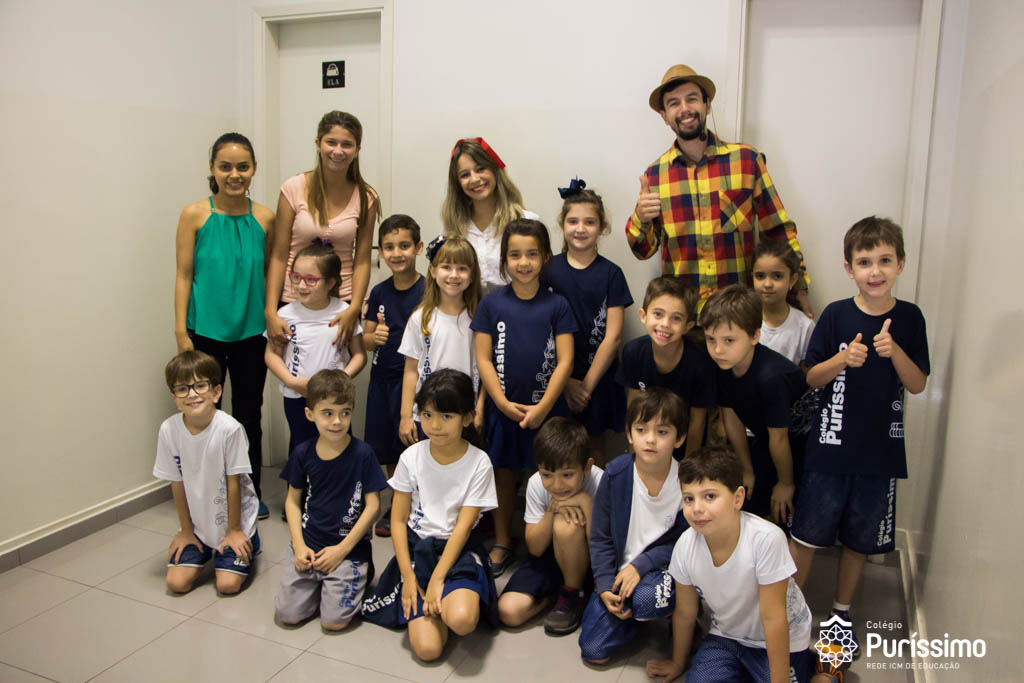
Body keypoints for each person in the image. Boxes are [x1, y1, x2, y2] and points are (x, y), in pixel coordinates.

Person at [790, 217, 929, 658]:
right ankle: (788, 609)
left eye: (885, 260)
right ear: (849, 268)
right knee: (807, 535)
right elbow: (811, 377)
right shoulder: (835, 314)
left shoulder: (910, 318)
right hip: (829, 450)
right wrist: (842, 360)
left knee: (858, 542)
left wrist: (895, 351)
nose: (875, 271)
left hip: (879, 455)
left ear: (900, 264)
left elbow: (918, 383)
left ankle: (841, 615)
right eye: (865, 262)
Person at [625, 64, 812, 316]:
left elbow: (779, 232)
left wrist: (799, 289)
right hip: (683, 318)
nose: (684, 109)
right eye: (674, 103)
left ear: (707, 105)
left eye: (692, 99)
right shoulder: (655, 175)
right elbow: (643, 251)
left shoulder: (747, 161)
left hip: (740, 315)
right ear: (665, 116)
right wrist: (641, 218)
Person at [645, 446, 840, 683]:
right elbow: (685, 613)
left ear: (737, 498)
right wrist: (678, 663)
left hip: (778, 639)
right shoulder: (685, 546)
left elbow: (773, 618)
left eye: (710, 496)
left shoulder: (766, 539)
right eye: (689, 498)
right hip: (726, 636)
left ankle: (825, 666)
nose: (697, 508)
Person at [361, 369, 499, 662]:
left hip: (459, 550)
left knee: (462, 620)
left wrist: (437, 579)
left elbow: (462, 529)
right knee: (427, 650)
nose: (435, 425)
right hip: (418, 551)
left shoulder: (479, 462)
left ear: (467, 417)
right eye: (427, 415)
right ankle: (437, 608)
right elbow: (398, 521)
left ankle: (449, 600)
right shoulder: (411, 457)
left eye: (446, 416)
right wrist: (409, 577)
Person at [174, 132, 276, 519]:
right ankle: (207, 493)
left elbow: (271, 276)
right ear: (212, 169)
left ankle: (250, 493)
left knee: (248, 416)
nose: (235, 174)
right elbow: (184, 275)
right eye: (226, 167)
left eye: (243, 167)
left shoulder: (265, 218)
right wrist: (181, 332)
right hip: (204, 333)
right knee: (203, 414)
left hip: (252, 334)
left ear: (254, 169)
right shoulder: (194, 215)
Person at [472, 218, 577, 576]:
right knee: (503, 475)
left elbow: (565, 361)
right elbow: (483, 359)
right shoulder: (491, 304)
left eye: (532, 254)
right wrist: (501, 403)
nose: (524, 262)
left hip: (549, 411)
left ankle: (548, 543)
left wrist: (544, 407)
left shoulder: (558, 305)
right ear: (504, 260)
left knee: (547, 476)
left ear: (545, 258)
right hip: (504, 410)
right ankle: (503, 539)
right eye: (515, 255)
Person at [579, 389, 689, 664]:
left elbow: (686, 543)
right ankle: (634, 618)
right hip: (620, 573)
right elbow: (600, 537)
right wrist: (605, 586)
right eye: (641, 430)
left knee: (646, 600)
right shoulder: (615, 474)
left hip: (662, 569)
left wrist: (641, 566)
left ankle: (675, 612)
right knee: (593, 650)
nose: (650, 439)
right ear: (629, 434)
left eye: (662, 432)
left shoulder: (687, 483)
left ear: (679, 438)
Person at [274, 370, 386, 630]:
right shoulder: (302, 453)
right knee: (288, 615)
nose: (337, 421)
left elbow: (373, 507)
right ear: (309, 414)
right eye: (327, 413)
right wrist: (299, 546)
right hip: (310, 546)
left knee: (333, 622)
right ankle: (319, 583)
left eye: (345, 413)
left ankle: (356, 572)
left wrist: (342, 550)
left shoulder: (364, 454)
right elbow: (292, 502)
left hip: (348, 549)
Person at [266, 110, 379, 348]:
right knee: (292, 366)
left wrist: (354, 307)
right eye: (331, 142)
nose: (338, 151)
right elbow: (278, 254)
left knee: (337, 367)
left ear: (357, 149)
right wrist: (270, 310)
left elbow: (362, 260)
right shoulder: (293, 188)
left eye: (347, 144)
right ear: (318, 143)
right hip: (293, 297)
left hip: (341, 301)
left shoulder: (366, 196)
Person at [154, 350, 260, 595]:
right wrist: (186, 530)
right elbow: (177, 483)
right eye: (182, 389)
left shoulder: (229, 429)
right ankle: (202, 543)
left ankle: (250, 537)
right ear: (174, 397)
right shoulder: (168, 430)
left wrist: (234, 531)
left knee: (227, 585)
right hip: (199, 525)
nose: (192, 394)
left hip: (233, 522)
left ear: (216, 392)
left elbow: (234, 483)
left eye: (200, 385)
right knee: (176, 584)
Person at [701, 284, 808, 524]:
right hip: (768, 441)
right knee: (747, 499)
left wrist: (785, 483)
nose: (717, 349)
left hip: (803, 447)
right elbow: (731, 416)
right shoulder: (723, 364)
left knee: (785, 511)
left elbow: (780, 438)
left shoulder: (770, 377)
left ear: (754, 336)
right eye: (710, 339)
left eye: (729, 340)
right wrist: (746, 468)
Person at [545, 180, 633, 466]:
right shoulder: (547, 270)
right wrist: (566, 383)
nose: (580, 228)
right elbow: (540, 329)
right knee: (555, 448)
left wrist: (585, 387)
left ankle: (597, 497)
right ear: (562, 224)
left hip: (597, 379)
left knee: (594, 451)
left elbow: (613, 336)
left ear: (602, 227)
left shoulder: (612, 274)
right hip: (555, 377)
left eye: (589, 222)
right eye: (573, 221)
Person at [265, 242, 366, 486]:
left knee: (338, 444)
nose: (301, 285)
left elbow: (359, 355)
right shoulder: (285, 315)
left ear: (330, 282)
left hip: (336, 398)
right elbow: (271, 354)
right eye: (296, 277)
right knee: (302, 446)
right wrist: (291, 381)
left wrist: (342, 379)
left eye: (311, 280)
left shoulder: (344, 312)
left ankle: (341, 495)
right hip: (297, 396)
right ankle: (299, 496)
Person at [497, 417, 604, 635]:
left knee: (567, 525)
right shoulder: (536, 484)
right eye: (547, 474)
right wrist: (552, 511)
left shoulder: (601, 482)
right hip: (549, 559)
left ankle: (572, 595)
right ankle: (556, 595)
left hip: (591, 563)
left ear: (587, 467)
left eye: (567, 475)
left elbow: (601, 549)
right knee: (508, 611)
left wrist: (586, 503)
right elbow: (535, 548)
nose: (557, 485)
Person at [362, 214, 425, 537]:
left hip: (413, 380)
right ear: (380, 251)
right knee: (388, 445)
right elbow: (365, 337)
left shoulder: (429, 289)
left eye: (404, 246)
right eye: (389, 247)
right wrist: (372, 338)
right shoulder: (379, 291)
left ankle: (420, 503)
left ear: (418, 248)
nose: (397, 253)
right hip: (381, 378)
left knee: (414, 443)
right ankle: (397, 503)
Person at [397, 236, 484, 447]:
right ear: (433, 271)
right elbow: (411, 370)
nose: (454, 275)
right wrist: (406, 416)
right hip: (428, 416)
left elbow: (486, 370)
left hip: (465, 416)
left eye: (462, 268)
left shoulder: (480, 318)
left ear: (472, 275)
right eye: (446, 267)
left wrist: (480, 409)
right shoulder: (421, 318)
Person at [617, 276, 716, 456]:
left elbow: (697, 422)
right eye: (658, 314)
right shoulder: (633, 352)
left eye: (676, 318)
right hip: (646, 443)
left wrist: (688, 465)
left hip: (683, 446)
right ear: (643, 316)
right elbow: (633, 408)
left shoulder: (699, 364)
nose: (665, 324)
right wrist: (634, 456)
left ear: (688, 326)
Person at [442, 137, 539, 294]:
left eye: (481, 169)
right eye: (465, 175)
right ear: (457, 183)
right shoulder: (453, 229)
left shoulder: (526, 221)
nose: (475, 179)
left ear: (495, 170)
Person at [753, 239, 816, 368]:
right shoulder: (743, 320)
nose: (767, 284)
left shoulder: (804, 326)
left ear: (792, 280)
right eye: (760, 276)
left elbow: (808, 374)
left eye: (777, 276)